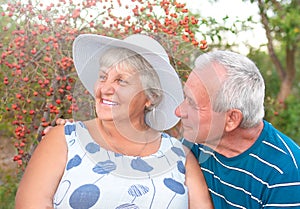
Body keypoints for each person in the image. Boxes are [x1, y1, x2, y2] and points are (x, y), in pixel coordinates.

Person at [15, 34, 213, 209]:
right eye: (103, 77)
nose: (105, 88)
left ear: (150, 97)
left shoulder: (180, 156)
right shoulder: (64, 139)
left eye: (121, 80)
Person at [175, 50, 300, 208]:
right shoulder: (196, 144)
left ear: (231, 119)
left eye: (192, 104)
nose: (179, 111)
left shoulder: (284, 174)